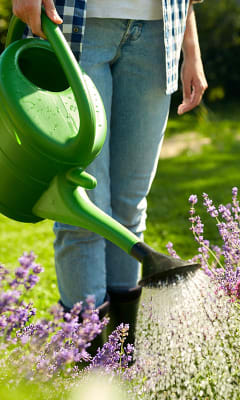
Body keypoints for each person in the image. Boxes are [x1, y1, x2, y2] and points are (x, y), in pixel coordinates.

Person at [12, 0, 208, 347]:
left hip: (158, 33)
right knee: (83, 210)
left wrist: (191, 47)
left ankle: (121, 356)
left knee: (129, 206)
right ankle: (89, 360)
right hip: (74, 25)